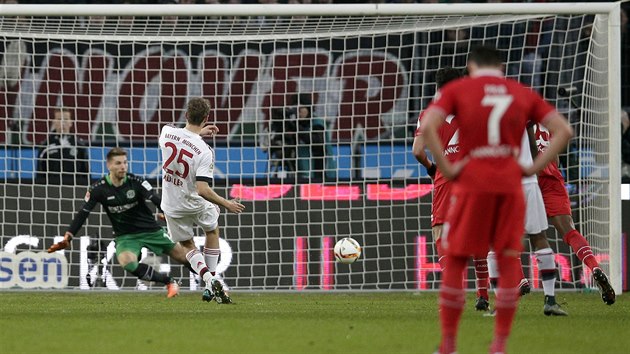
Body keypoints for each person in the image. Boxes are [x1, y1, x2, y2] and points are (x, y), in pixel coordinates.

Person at [421, 46, 572, 353]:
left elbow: (428, 128)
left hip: (472, 183)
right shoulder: (519, 92)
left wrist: (447, 167)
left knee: (457, 256)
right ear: (500, 67)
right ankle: (499, 344)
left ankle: (448, 343)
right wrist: (533, 167)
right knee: (506, 257)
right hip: (509, 185)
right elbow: (563, 130)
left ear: (471, 66)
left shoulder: (460, 89)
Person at [47, 148, 190, 298]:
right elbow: (83, 213)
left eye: (125, 163)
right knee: (127, 262)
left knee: (184, 257)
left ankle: (211, 281)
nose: (123, 166)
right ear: (109, 165)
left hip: (151, 230)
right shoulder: (99, 189)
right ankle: (169, 281)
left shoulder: (137, 182)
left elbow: (155, 198)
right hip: (126, 236)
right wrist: (68, 237)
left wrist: (170, 215)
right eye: (118, 163)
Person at [412, 67, 493, 311]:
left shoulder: (428, 114)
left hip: (446, 178)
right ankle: (483, 295)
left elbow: (417, 151)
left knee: (441, 232)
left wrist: (431, 168)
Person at [159, 97, 245, 304]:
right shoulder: (205, 152)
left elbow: (183, 137)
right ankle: (212, 280)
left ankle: (208, 280)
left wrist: (197, 132)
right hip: (194, 202)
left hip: (172, 203)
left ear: (186, 114)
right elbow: (203, 189)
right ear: (206, 118)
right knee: (212, 230)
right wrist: (227, 203)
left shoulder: (166, 132)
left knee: (188, 245)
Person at [488, 128, 568, 316]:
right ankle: (550, 300)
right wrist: (534, 172)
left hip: (501, 182)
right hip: (527, 180)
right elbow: (534, 145)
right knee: (539, 237)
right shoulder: (523, 102)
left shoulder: (484, 105)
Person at [534, 122, 616, 305]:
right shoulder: (547, 123)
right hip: (552, 180)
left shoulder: (513, 120)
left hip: (531, 180)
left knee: (516, 234)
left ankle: (518, 283)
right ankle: (594, 267)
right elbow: (558, 155)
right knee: (570, 232)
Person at [37, 108, 90, 185]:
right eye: (59, 119)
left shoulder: (79, 145)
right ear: (54, 122)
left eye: (65, 119)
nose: (62, 122)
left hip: (75, 189)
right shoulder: (45, 146)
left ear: (71, 122)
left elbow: (86, 172)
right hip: (51, 189)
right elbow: (40, 173)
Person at [295, 93, 328, 181]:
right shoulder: (297, 125)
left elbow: (317, 142)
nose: (298, 112)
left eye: (301, 108)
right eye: (296, 109)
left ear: (308, 109)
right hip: (302, 172)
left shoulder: (317, 123)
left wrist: (298, 130)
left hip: (319, 172)